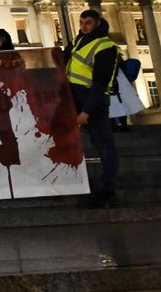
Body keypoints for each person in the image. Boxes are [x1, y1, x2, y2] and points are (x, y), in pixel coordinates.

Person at [64, 11, 120, 207]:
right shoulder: (79, 40)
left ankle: (108, 189)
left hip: (93, 100)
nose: (83, 26)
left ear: (98, 23)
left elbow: (100, 83)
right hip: (74, 97)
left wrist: (86, 111)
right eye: (81, 22)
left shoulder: (106, 46)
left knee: (104, 146)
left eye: (87, 23)